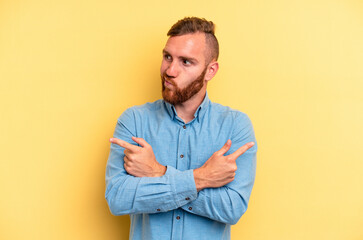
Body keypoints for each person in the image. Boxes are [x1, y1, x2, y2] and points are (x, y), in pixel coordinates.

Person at [105, 17, 257, 240]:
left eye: (186, 62)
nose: (170, 70)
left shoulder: (235, 126)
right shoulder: (135, 120)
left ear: (210, 71)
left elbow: (232, 208)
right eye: (167, 57)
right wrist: (202, 178)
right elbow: (118, 199)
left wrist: (158, 172)